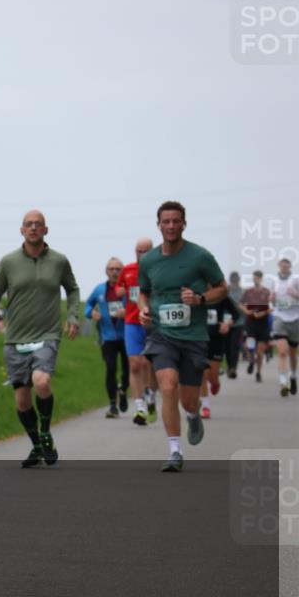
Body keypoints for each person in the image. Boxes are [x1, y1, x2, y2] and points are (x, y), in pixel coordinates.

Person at [0, 210, 80, 468]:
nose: (34, 228)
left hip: (47, 335)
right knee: (22, 401)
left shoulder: (59, 261)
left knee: (42, 381)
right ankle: (37, 444)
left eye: (38, 224)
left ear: (46, 230)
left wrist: (72, 316)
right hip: (15, 338)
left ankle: (46, 433)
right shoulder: (9, 262)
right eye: (29, 224)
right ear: (21, 230)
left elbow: (72, 289)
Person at [138, 201, 226, 472]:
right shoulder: (149, 260)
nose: (171, 226)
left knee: (188, 399)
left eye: (176, 221)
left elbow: (222, 289)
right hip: (162, 335)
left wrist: (200, 298)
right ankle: (175, 451)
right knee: (167, 386)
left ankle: (192, 414)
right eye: (166, 221)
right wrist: (143, 308)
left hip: (193, 336)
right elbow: (144, 290)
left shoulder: (200, 257)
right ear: (159, 225)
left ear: (184, 224)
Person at [116, 238, 158, 425]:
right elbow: (118, 286)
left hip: (152, 323)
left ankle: (151, 396)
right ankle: (139, 406)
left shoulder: (159, 269)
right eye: (138, 251)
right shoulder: (128, 269)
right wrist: (119, 291)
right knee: (134, 364)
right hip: (132, 322)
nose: (141, 254)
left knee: (150, 364)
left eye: (145, 251)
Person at [85, 258, 130, 418]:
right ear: (106, 271)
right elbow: (88, 305)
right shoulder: (99, 289)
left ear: (122, 271)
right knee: (110, 369)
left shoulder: (128, 289)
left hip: (126, 335)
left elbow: (140, 305)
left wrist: (127, 312)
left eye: (118, 269)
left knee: (129, 370)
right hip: (108, 336)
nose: (114, 272)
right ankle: (112, 405)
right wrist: (92, 313)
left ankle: (123, 389)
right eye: (111, 269)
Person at [199, 294, 239, 418]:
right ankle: (206, 407)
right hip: (199, 338)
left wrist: (227, 324)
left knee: (212, 376)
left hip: (216, 339)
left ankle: (215, 382)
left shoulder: (221, 296)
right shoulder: (196, 293)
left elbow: (236, 314)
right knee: (202, 374)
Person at [269, 258, 299, 397]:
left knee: (293, 352)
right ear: (279, 266)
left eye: (286, 265)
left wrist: (295, 294)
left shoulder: (296, 279)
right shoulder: (274, 280)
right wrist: (272, 298)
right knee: (282, 352)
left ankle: (293, 376)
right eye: (282, 265)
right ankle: (283, 383)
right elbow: (272, 299)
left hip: (295, 318)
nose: (284, 267)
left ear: (290, 266)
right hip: (280, 317)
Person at [240, 271, 272, 383]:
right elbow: (240, 304)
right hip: (250, 323)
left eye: (257, 278)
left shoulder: (267, 292)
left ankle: (258, 372)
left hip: (262, 324)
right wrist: (247, 311)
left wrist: (263, 313)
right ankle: (251, 361)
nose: (255, 280)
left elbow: (272, 306)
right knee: (250, 346)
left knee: (260, 351)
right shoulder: (248, 291)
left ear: (261, 279)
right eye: (254, 278)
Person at [225, 271, 246, 379]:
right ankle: (229, 366)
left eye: (236, 279)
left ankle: (234, 368)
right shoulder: (226, 291)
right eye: (233, 279)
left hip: (239, 322)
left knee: (235, 345)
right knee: (228, 346)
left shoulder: (243, 292)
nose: (235, 280)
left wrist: (238, 306)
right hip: (226, 322)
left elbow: (245, 307)